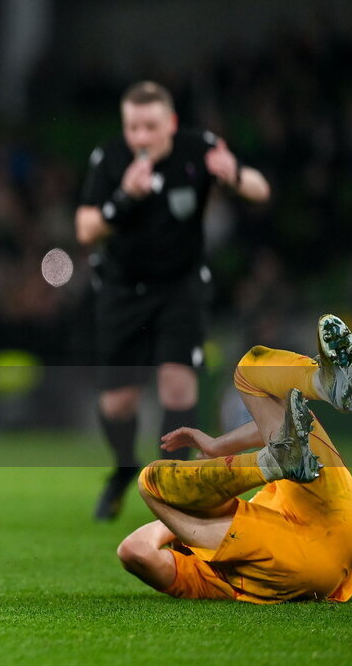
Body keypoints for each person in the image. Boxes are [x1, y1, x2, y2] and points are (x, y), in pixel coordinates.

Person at [74, 81, 271, 520]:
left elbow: (260, 189)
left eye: (150, 126)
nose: (140, 137)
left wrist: (234, 175)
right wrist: (124, 197)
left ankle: (173, 491)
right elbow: (85, 229)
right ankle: (124, 468)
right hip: (122, 291)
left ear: (172, 123)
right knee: (117, 404)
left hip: (180, 287)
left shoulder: (199, 148)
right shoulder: (110, 159)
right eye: (132, 127)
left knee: (178, 385)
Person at [117, 314, 352, 603]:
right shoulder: (201, 567)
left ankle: (326, 382)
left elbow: (297, 421)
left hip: (329, 538)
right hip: (334, 534)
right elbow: (133, 549)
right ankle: (314, 389)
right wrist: (177, 518)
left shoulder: (257, 509)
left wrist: (217, 446)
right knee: (150, 483)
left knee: (252, 371)